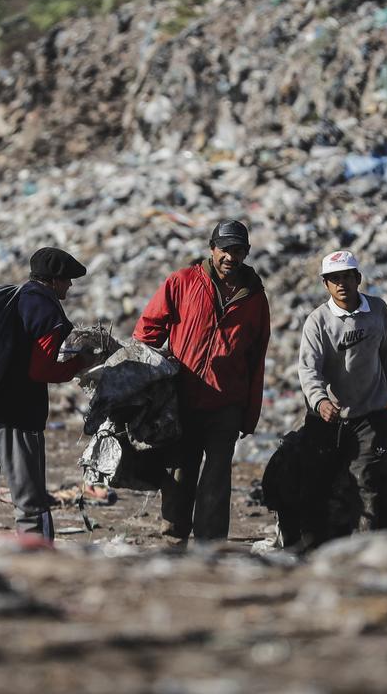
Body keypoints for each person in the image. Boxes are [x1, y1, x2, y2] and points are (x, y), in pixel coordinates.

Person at [133, 219, 271, 543]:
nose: (230, 257)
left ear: (246, 253)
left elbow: (257, 358)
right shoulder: (182, 282)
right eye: (224, 249)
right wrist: (156, 373)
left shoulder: (254, 299)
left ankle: (210, 548)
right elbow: (147, 332)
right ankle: (174, 540)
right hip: (182, 401)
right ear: (212, 249)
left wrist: (250, 414)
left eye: (237, 251)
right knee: (180, 474)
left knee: (217, 477)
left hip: (227, 404)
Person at [0, 247, 89, 541]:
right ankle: (39, 557)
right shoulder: (45, 309)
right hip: (16, 416)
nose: (70, 285)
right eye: (68, 279)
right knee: (29, 499)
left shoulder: (8, 299)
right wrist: (81, 363)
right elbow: (41, 370)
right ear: (54, 280)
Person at [293, 250, 387, 548]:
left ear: (358, 279)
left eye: (347, 277)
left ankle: (367, 549)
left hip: (370, 414)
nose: (341, 285)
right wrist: (320, 401)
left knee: (368, 482)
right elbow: (308, 369)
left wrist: (386, 397)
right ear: (325, 285)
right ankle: (317, 546)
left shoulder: (377, 311)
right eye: (334, 279)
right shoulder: (318, 322)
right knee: (320, 483)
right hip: (330, 417)